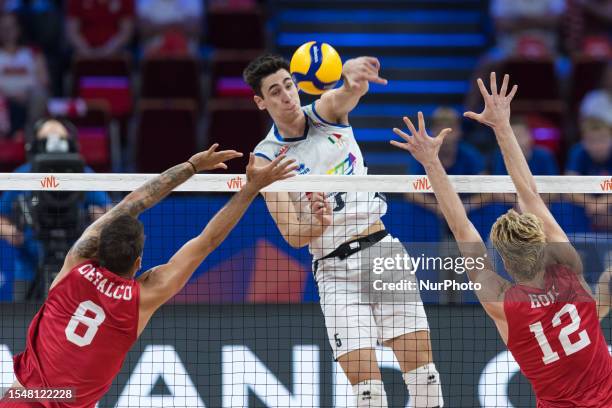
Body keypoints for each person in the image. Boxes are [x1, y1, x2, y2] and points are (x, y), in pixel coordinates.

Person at [0, 145, 297, 407]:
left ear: (99, 247)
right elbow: (207, 241)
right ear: (139, 262)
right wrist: (250, 189)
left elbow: (133, 203)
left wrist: (190, 166)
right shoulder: (141, 299)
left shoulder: (75, 264)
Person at [392, 72, 612, 407]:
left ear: (505, 261)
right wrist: (502, 126)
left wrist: (430, 163)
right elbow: (528, 192)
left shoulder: (502, 302)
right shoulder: (569, 267)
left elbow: (462, 227)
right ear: (542, 243)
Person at [244, 54, 443, 407]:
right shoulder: (265, 159)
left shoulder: (325, 113)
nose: (286, 96)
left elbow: (344, 95)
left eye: (289, 85)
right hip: (334, 271)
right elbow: (291, 233)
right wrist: (314, 223)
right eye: (274, 92)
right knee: (368, 396)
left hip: (382, 255)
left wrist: (351, 80)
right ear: (261, 102)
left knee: (426, 383)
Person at [0, 118, 112, 300]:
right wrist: (10, 231)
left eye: (59, 137)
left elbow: (112, 213)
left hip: (78, 270)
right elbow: (1, 216)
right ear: (35, 143)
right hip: (29, 271)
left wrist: (99, 219)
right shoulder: (22, 175)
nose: (53, 143)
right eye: (47, 138)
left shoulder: (83, 174)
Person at [0, 12, 48, 137]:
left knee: (40, 95)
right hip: (3, 97)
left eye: (11, 27)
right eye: (3, 28)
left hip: (29, 96)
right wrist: (8, 94)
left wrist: (27, 93)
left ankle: (30, 136)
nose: (8, 31)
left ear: (18, 29)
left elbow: (44, 80)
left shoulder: (32, 52)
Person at [66, 0, 135, 58]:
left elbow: (126, 32)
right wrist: (86, 50)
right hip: (84, 53)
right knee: (75, 58)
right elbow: (73, 31)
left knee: (126, 57)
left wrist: (109, 49)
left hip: (116, 52)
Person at [136, 0, 203, 56]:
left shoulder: (192, 1)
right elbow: (144, 30)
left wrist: (159, 27)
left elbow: (196, 29)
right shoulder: (145, 1)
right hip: (152, 53)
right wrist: (176, 26)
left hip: (186, 53)